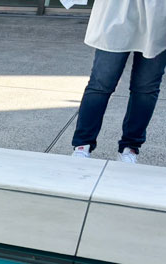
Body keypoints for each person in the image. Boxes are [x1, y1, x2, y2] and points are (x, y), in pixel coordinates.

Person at [70, 0, 166, 163]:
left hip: (158, 13)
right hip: (116, 11)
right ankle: (82, 144)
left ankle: (130, 148)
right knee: (101, 83)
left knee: (146, 88)